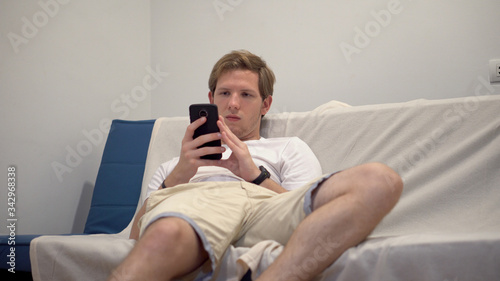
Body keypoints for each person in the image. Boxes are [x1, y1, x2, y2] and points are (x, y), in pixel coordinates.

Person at [107, 50, 403, 281]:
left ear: (265, 105)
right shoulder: (176, 164)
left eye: (246, 95)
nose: (233, 103)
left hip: (266, 208)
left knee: (381, 181)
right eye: (224, 93)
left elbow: (312, 215)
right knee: (163, 236)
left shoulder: (290, 147)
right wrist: (181, 174)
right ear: (211, 99)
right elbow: (135, 236)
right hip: (198, 206)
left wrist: (255, 175)